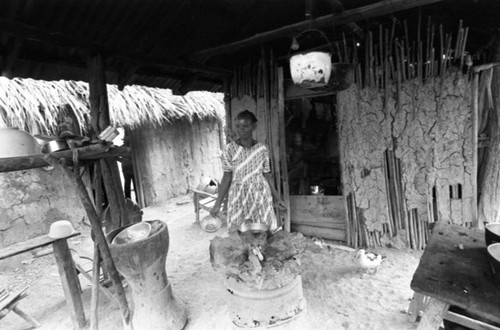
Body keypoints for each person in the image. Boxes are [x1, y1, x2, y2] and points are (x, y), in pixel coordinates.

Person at [210, 110, 287, 232]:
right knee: (238, 231)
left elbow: (267, 176)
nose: (241, 130)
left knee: (263, 230)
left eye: (245, 126)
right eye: (238, 126)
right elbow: (227, 178)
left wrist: (278, 199)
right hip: (238, 195)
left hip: (260, 194)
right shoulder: (229, 150)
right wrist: (217, 204)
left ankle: (260, 251)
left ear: (254, 127)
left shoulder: (262, 149)